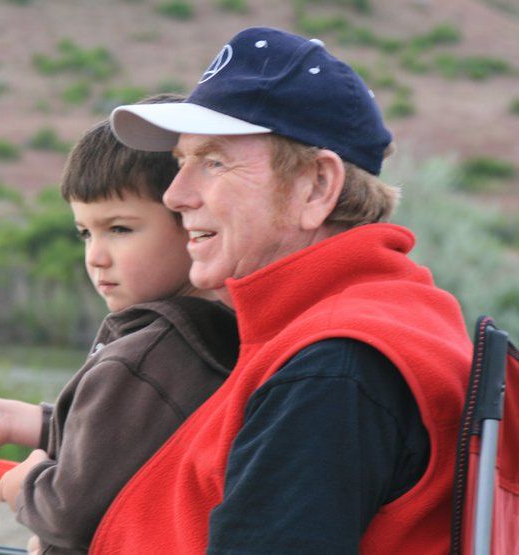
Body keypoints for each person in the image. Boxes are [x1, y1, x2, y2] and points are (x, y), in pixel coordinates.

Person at [87, 27, 472, 553]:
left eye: (214, 162)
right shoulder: (354, 325)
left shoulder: (332, 369)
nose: (175, 195)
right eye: (181, 162)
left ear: (316, 186)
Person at [0, 96, 239, 554]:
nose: (96, 256)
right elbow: (117, 441)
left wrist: (28, 481)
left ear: (192, 223)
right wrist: (14, 419)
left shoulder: (150, 358)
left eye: (121, 229)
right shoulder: (206, 337)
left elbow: (69, 514)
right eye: (85, 232)